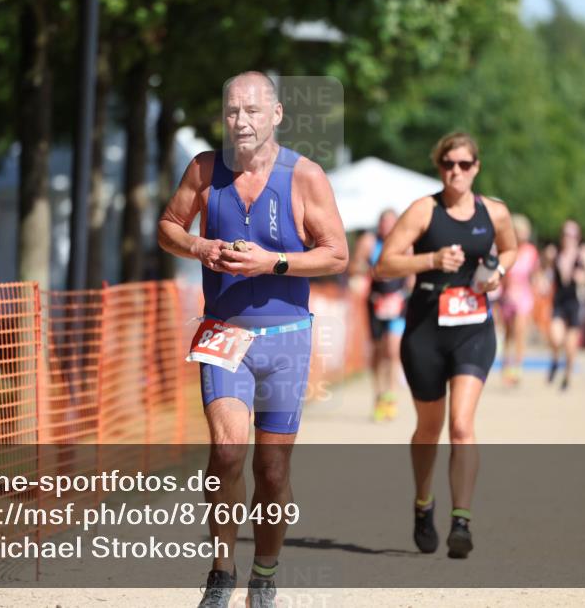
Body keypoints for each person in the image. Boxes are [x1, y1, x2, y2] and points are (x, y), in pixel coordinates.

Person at [157, 71, 347, 608]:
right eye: (232, 111)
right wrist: (200, 250)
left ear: (277, 115)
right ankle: (221, 571)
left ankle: (264, 575)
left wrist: (274, 261)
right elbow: (168, 225)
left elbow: (337, 254)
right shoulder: (204, 170)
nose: (240, 121)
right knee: (227, 449)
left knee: (273, 469)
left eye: (252, 111)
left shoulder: (305, 177)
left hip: (286, 340)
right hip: (223, 336)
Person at [374, 132, 517, 559]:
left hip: (473, 328)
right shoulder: (424, 211)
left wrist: (498, 274)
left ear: (477, 167)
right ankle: (423, 504)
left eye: (464, 164)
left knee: (461, 425)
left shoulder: (495, 212)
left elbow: (510, 249)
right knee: (430, 429)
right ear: (440, 167)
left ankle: (461, 520)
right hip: (426, 332)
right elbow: (383, 265)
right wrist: (431, 260)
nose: (456, 171)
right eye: (448, 164)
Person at [350, 209, 411, 421]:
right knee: (377, 351)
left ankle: (390, 395)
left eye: (391, 223)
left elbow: (413, 272)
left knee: (393, 349)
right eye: (384, 223)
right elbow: (354, 267)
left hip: (398, 302)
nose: (387, 227)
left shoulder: (405, 243)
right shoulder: (369, 242)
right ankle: (378, 395)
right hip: (376, 302)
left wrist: (407, 293)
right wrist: (365, 271)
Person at [547, 220, 585, 389]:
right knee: (556, 338)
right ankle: (556, 360)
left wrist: (584, 278)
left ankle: (567, 376)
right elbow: (545, 273)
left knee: (571, 344)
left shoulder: (583, 253)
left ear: (578, 237)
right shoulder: (555, 253)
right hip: (559, 300)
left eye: (572, 235)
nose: (568, 238)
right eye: (565, 234)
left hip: (577, 301)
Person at [498, 214, 538, 386]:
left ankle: (518, 367)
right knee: (508, 333)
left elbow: (534, 274)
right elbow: (503, 274)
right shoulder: (507, 250)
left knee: (520, 331)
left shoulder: (531, 252)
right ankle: (506, 365)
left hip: (524, 295)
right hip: (507, 295)